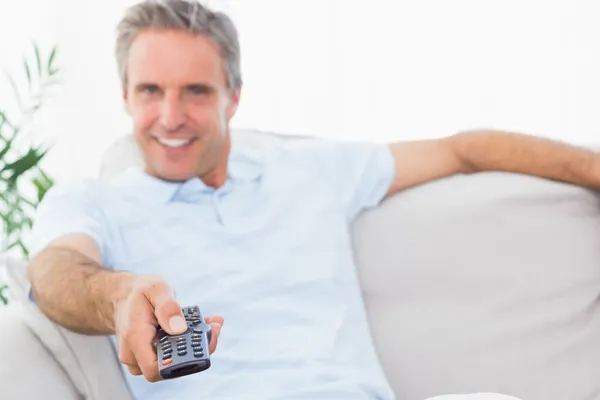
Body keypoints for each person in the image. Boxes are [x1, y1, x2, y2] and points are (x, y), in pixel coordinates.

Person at [24, 0, 600, 399]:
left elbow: (465, 151)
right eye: (151, 91)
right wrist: (119, 296)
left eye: (196, 91)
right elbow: (55, 272)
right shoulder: (93, 202)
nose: (170, 117)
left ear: (234, 98)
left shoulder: (311, 170)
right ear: (125, 95)